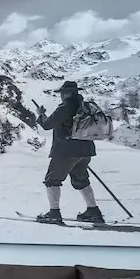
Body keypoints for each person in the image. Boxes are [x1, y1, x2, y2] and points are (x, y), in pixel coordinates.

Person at [35, 80, 104, 224]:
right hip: (86, 150)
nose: (61, 96)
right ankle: (93, 211)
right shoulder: (85, 106)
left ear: (66, 93)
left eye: (62, 93)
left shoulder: (66, 107)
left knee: (52, 180)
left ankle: (54, 213)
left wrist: (41, 115)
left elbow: (47, 124)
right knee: (81, 179)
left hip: (66, 150)